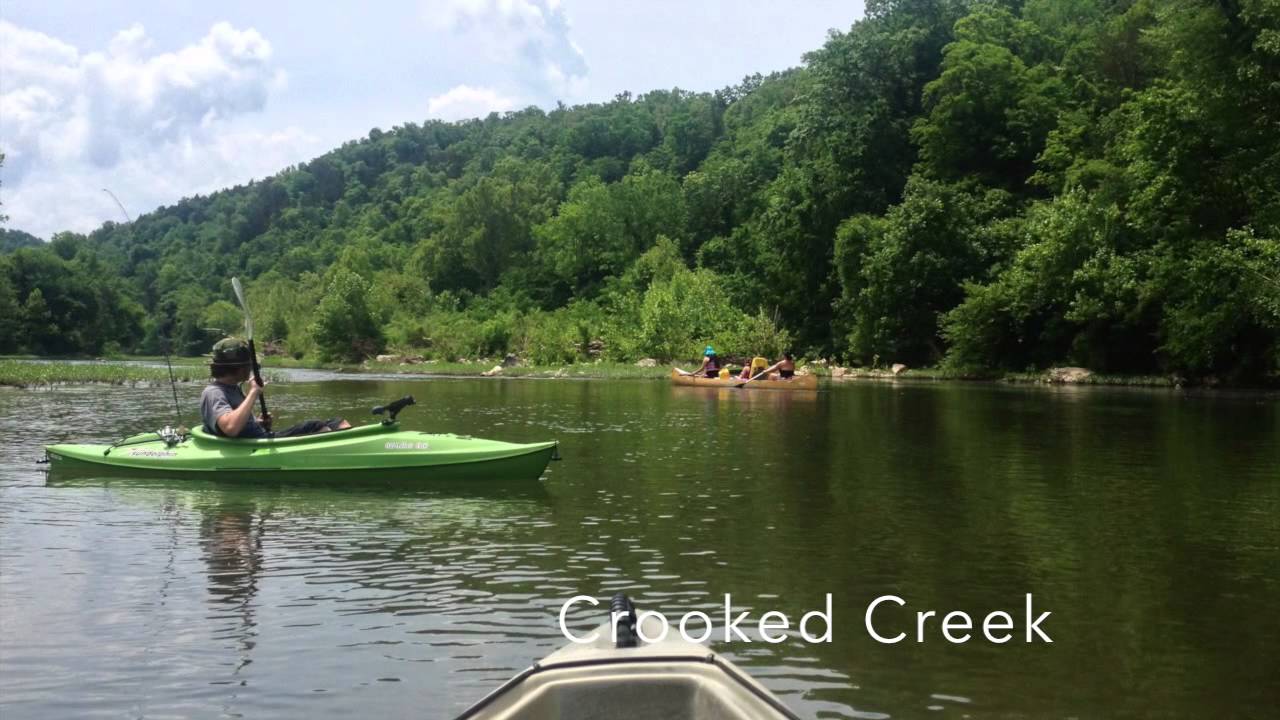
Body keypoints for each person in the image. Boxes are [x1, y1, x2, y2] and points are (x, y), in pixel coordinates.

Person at [200, 337, 351, 439]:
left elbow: (240, 425)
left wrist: (258, 423)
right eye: (249, 365)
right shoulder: (214, 393)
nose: (251, 369)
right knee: (315, 426)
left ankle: (351, 445)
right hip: (253, 446)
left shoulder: (233, 388)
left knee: (337, 422)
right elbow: (230, 428)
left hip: (261, 438)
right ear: (239, 368)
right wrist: (253, 393)